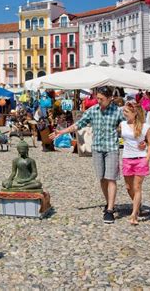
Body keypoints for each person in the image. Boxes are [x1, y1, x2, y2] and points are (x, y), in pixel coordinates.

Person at [50, 86, 127, 224]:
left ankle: (109, 210)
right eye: (97, 98)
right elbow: (78, 125)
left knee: (111, 178)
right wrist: (61, 132)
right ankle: (109, 202)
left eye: (101, 99)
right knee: (102, 178)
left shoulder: (118, 111)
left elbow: (131, 122)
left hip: (111, 149)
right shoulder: (93, 111)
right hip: (97, 148)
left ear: (110, 99)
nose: (98, 101)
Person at [120, 101, 150, 225]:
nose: (124, 113)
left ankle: (134, 214)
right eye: (124, 111)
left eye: (126, 112)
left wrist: (147, 159)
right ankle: (138, 205)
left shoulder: (145, 127)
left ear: (135, 113)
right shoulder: (122, 124)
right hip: (127, 158)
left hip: (140, 159)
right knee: (129, 188)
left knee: (137, 187)